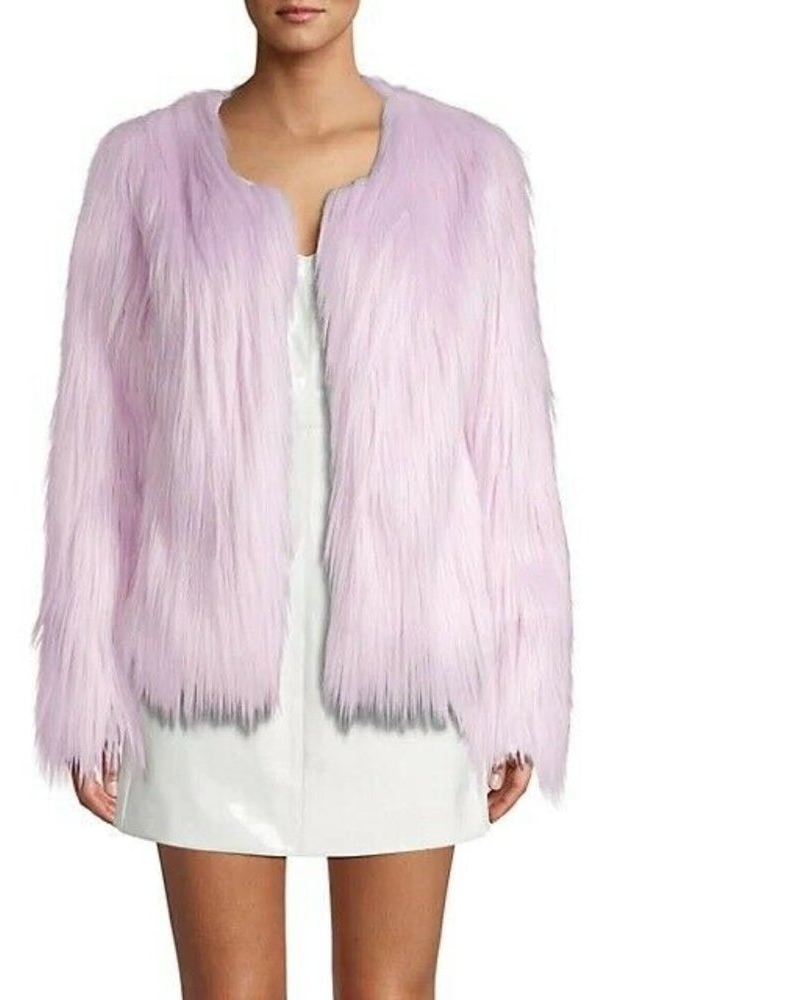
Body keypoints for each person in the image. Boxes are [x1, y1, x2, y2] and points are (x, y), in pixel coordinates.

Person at [32, 2, 573, 996]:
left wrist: (521, 676)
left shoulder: (469, 169)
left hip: (407, 667)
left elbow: (508, 443)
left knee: (390, 991)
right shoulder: (143, 169)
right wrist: (85, 681)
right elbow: (98, 439)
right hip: (201, 668)